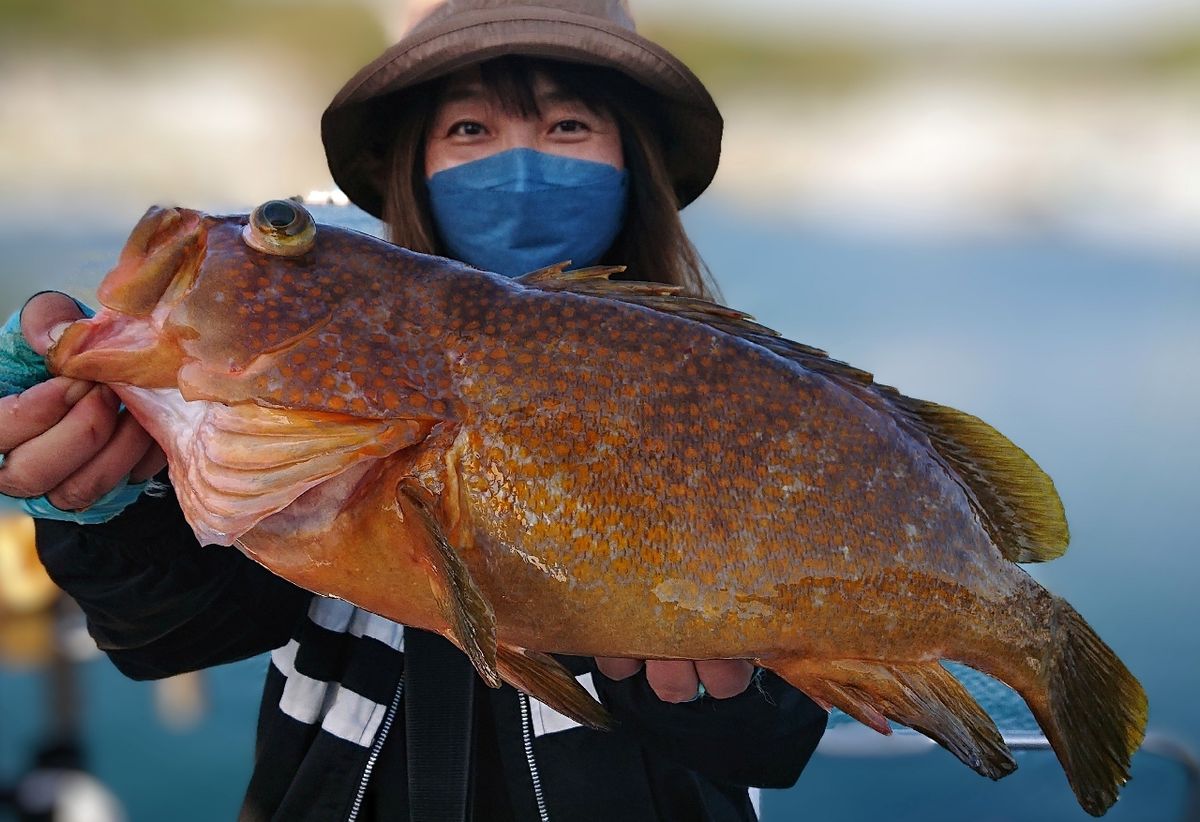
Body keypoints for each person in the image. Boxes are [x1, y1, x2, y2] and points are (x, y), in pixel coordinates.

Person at [0, 1, 828, 819]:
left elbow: (774, 743)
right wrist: (112, 498)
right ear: (413, 168)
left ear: (634, 163)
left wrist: (720, 682)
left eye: (570, 126)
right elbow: (169, 634)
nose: (523, 163)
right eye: (468, 129)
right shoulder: (314, 386)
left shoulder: (736, 405)